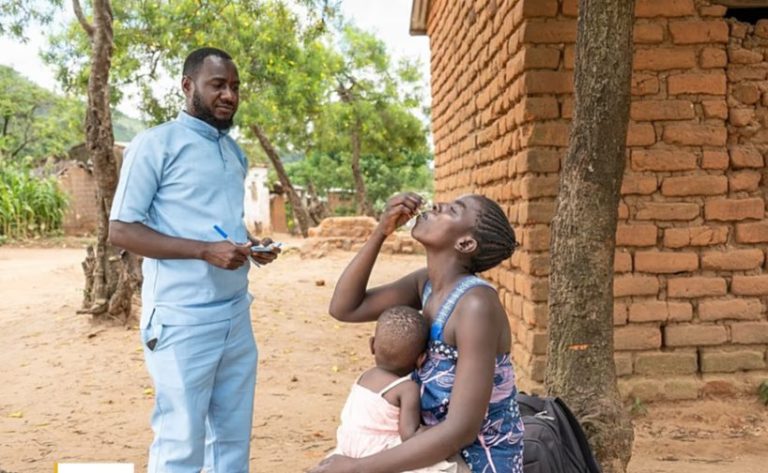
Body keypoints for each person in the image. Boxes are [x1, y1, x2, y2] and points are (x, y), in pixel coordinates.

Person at [108, 47, 279, 473]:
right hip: (182, 319)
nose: (229, 95)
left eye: (235, 87)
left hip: (236, 315)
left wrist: (250, 246)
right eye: (217, 85)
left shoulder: (233, 153)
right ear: (188, 87)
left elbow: (219, 226)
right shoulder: (155, 144)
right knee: (181, 441)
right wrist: (204, 251)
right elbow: (121, 230)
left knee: (232, 439)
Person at [310, 192, 524, 473]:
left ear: (466, 243)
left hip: (476, 459)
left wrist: (357, 468)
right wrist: (381, 232)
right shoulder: (425, 284)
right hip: (430, 447)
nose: (437, 205)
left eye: (453, 210)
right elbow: (345, 308)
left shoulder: (476, 305)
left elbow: (462, 429)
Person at [331, 305, 457, 473]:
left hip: (348, 445)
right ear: (421, 359)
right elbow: (409, 435)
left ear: (372, 345)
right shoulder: (406, 389)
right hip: (378, 451)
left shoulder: (365, 377)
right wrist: (445, 429)